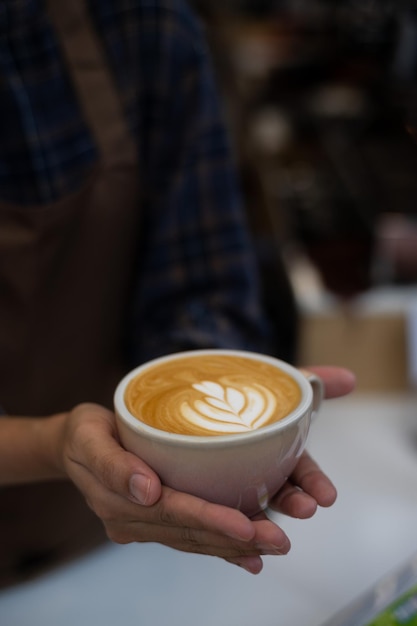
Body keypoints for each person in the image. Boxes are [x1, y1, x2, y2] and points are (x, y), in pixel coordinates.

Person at [0, 0, 355, 586]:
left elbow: (198, 283)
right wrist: (48, 442)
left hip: (120, 519)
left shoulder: (144, 25)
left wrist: (221, 430)